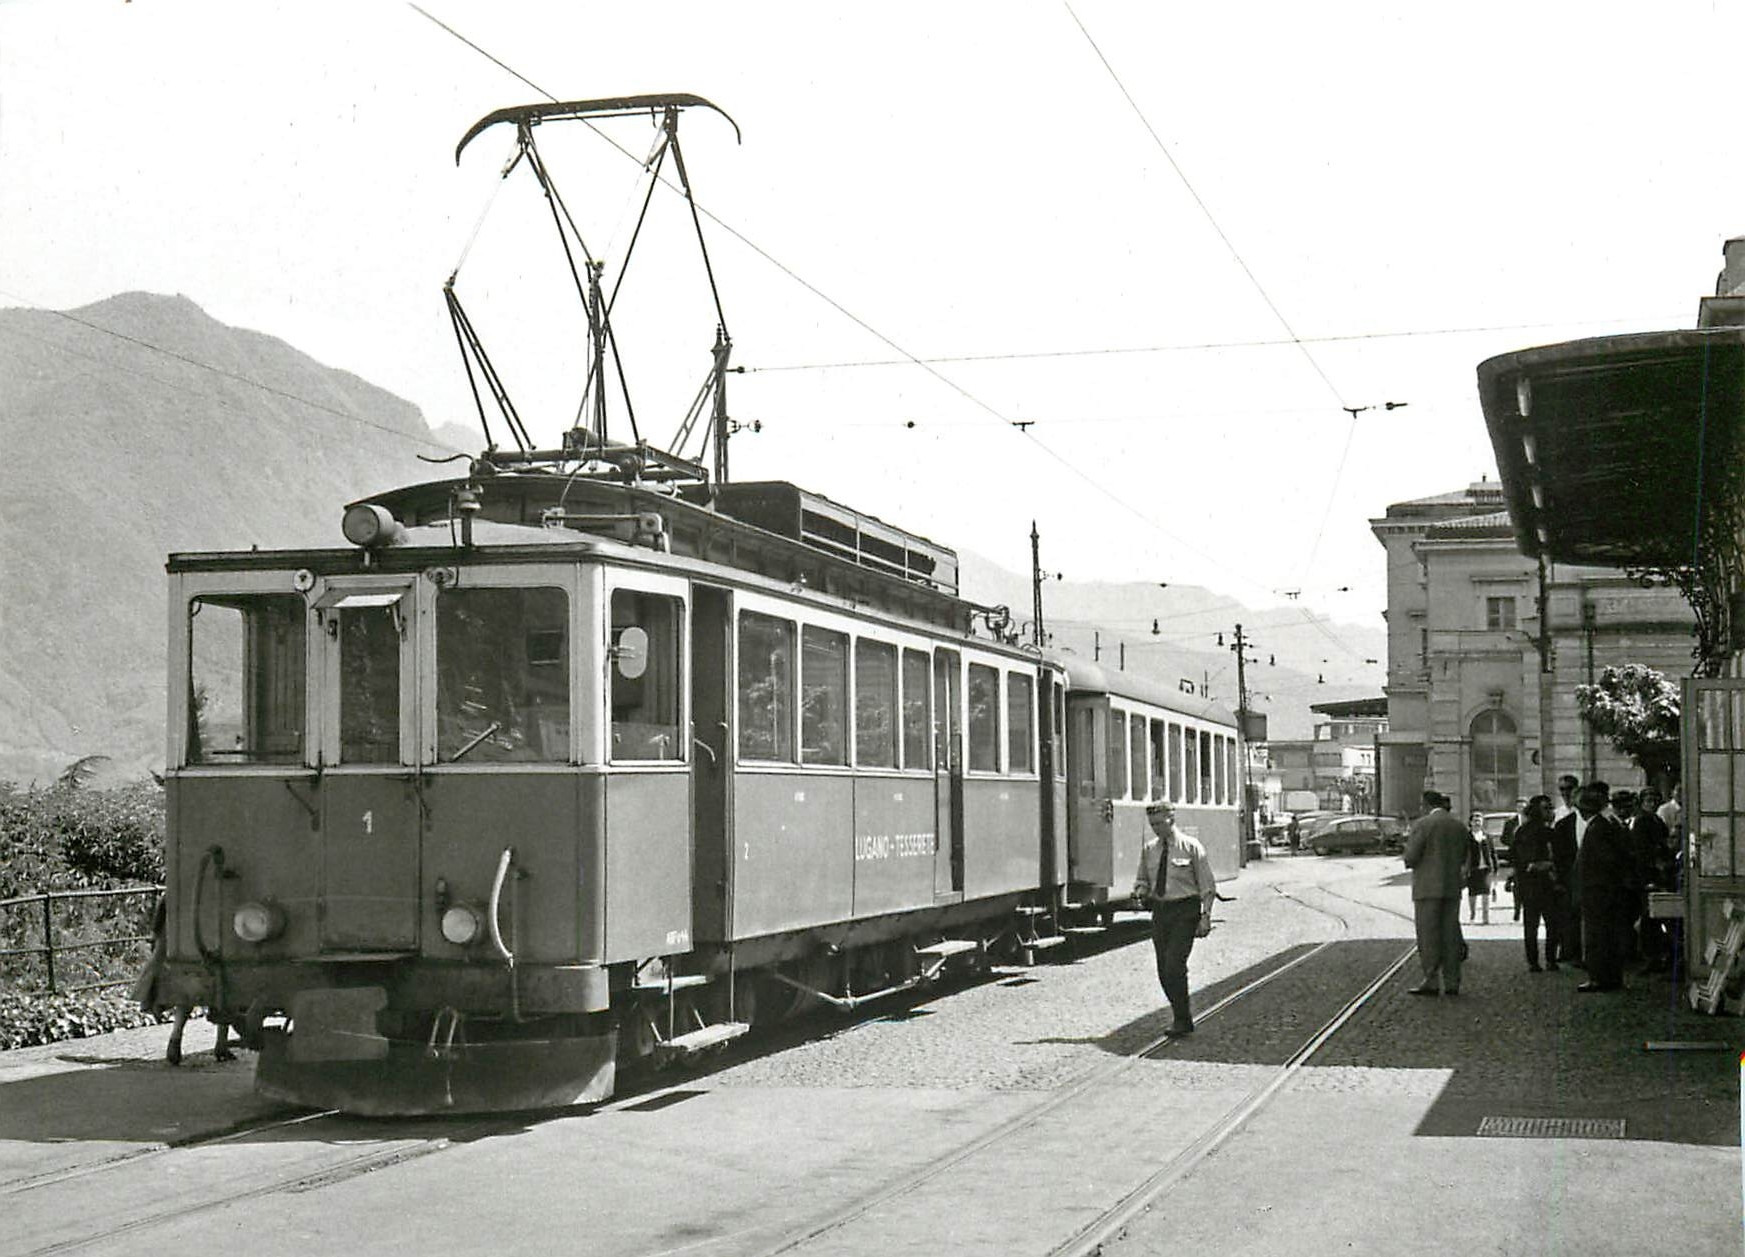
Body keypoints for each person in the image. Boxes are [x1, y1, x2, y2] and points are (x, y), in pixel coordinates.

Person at [1134, 798, 1217, 1035]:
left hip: (1185, 911)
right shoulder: (1150, 849)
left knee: (1174, 966)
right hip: (1161, 912)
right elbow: (1142, 879)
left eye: (1160, 823)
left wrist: (1206, 916)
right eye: (1152, 824)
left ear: (1172, 820)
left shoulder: (1191, 847)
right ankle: (1181, 1014)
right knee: (1163, 970)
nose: (1156, 828)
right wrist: (1140, 890)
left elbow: (1207, 886)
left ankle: (1182, 1020)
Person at [1403, 791, 1471, 995]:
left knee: (1428, 935)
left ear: (1425, 805)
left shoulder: (1422, 825)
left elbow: (1411, 858)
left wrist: (1406, 850)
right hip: (1452, 887)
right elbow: (1466, 856)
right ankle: (1452, 981)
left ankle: (1431, 979)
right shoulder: (1458, 826)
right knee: (1450, 934)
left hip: (1427, 888)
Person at [1574, 782, 1638, 992]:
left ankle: (1598, 978)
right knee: (1608, 936)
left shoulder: (1596, 828)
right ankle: (1610, 977)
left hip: (1597, 892)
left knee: (1596, 936)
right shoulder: (1604, 825)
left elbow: (1605, 861)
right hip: (1604, 891)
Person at [1509, 795, 1561, 971]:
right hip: (1545, 883)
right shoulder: (1546, 832)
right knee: (1552, 924)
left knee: (1531, 925)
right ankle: (1550, 960)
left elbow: (1514, 858)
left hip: (1527, 885)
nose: (1550, 811)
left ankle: (1533, 962)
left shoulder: (1520, 831)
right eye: (1547, 808)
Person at [1630, 789, 1673, 972]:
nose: (1652, 803)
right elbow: (1641, 851)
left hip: (1657, 873)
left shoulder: (1657, 820)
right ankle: (1651, 956)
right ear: (1642, 802)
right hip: (1647, 874)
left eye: (1655, 799)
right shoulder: (1641, 821)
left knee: (1656, 917)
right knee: (1649, 918)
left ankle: (1657, 955)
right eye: (1648, 800)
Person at [1550, 790, 1583, 966]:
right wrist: (1560, 879)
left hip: (1588, 876)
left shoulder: (1600, 823)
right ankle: (1570, 950)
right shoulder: (1562, 823)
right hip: (1569, 876)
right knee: (1569, 915)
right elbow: (1558, 855)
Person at [1466, 812, 1500, 925]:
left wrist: (1495, 867)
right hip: (1473, 868)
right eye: (1474, 820)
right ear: (1470, 822)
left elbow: (1493, 852)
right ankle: (1472, 915)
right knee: (1473, 893)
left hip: (1486, 868)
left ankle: (1485, 917)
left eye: (1479, 820)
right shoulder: (1467, 836)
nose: (1477, 823)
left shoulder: (1487, 836)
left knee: (1486, 892)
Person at [1502, 797, 1528, 921]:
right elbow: (1503, 838)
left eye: (1523, 807)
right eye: (1519, 807)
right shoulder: (1510, 822)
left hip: (1530, 857)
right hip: (1516, 858)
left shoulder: (1531, 821)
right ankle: (1517, 909)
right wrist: (1512, 843)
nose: (1521, 809)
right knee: (1517, 885)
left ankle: (1527, 908)